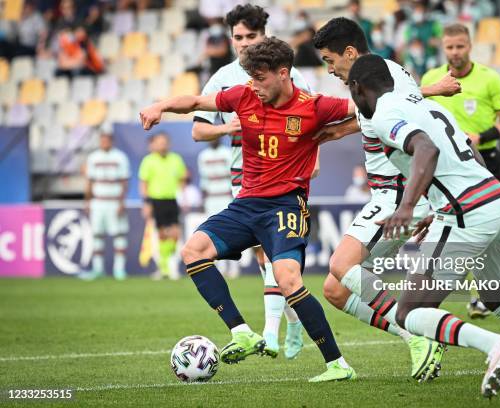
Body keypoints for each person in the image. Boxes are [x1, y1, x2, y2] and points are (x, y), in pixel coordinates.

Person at [347, 53, 500, 401]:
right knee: (496, 297)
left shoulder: (385, 112)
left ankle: (495, 345)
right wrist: (433, 211)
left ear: (358, 88)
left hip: (466, 212)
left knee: (409, 312)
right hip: (499, 202)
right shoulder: (430, 108)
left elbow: (425, 150)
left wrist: (408, 208)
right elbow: (470, 151)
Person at [140, 37, 356, 382]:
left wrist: (336, 132)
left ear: (283, 73)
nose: (253, 86)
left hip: (285, 204)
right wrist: (159, 107)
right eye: (250, 78)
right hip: (246, 203)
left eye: (260, 78)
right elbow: (196, 101)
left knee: (287, 279)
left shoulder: (313, 106)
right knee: (193, 251)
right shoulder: (243, 95)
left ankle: (337, 364)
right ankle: (241, 330)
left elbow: (370, 107)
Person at [312, 16, 461, 381]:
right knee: (335, 290)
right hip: (388, 194)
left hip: (395, 195)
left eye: (331, 61)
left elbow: (405, 122)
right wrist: (337, 133)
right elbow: (380, 114)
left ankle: (419, 334)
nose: (330, 70)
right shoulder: (386, 73)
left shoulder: (381, 78)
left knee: (340, 265)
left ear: (350, 52)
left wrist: (415, 203)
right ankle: (415, 334)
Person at [191, 4, 312, 360]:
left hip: (284, 173)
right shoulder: (223, 77)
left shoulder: (288, 75)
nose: (243, 44)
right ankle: (288, 324)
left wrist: (312, 163)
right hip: (241, 175)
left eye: (251, 37)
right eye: (238, 38)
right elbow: (198, 130)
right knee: (264, 257)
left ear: (265, 35)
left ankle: (271, 333)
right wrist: (229, 126)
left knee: (276, 258)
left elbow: (312, 121)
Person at [421, 23, 500, 318]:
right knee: (459, 225)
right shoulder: (431, 79)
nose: (455, 52)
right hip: (448, 165)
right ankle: (468, 288)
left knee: (481, 226)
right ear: (443, 48)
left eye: (460, 46)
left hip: (485, 159)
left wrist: (481, 137)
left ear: (470, 46)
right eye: (449, 47)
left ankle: (483, 293)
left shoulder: (490, 79)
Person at [81, 133, 130, 281]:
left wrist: (122, 202)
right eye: (102, 140)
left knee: (119, 235)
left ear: (112, 141)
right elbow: (89, 181)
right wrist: (88, 201)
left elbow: (124, 182)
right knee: (97, 235)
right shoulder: (93, 158)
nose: (104, 142)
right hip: (98, 201)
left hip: (114, 201)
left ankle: (119, 270)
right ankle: (97, 269)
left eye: (107, 140)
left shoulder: (120, 157)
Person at [139, 133, 187, 280]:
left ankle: (170, 266)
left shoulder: (176, 159)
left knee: (175, 233)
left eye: (165, 142)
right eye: (160, 142)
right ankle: (164, 267)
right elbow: (144, 183)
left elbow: (183, 178)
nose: (163, 145)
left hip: (172, 200)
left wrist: (182, 196)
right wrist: (147, 203)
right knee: (161, 234)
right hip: (156, 200)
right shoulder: (148, 161)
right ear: (154, 144)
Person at [197, 138, 239, 279]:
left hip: (227, 197)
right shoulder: (203, 156)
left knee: (232, 231)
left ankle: (234, 267)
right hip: (211, 198)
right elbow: (203, 180)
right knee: (213, 233)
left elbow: (234, 176)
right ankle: (221, 267)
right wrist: (203, 200)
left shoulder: (228, 153)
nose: (213, 140)